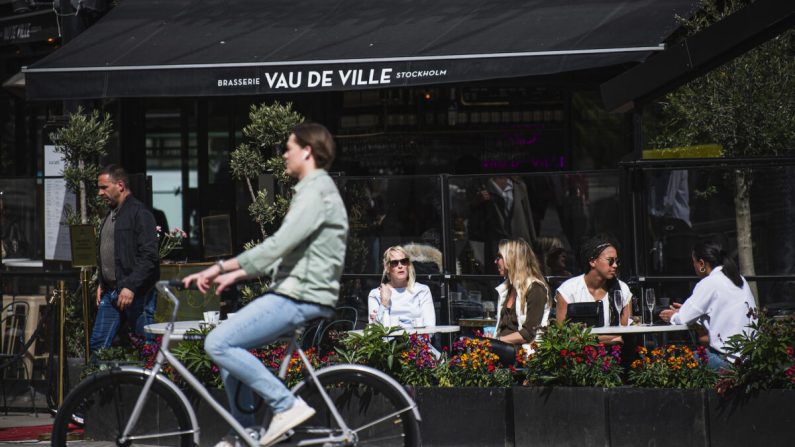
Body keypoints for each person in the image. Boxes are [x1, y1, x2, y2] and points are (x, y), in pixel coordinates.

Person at [183, 123, 348, 447]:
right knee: (232, 346)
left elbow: (277, 245)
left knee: (217, 343)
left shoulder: (316, 192)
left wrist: (219, 267)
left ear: (307, 151)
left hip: (299, 295)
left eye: (288, 147)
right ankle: (247, 431)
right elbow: (286, 251)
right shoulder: (313, 190)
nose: (284, 154)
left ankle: (285, 405)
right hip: (296, 290)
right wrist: (236, 274)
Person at [91, 165, 160, 353]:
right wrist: (102, 282)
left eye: (104, 187)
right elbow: (112, 252)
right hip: (111, 292)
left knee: (148, 348)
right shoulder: (112, 214)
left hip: (136, 293)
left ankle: (154, 383)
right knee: (99, 347)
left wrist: (131, 286)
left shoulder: (139, 213)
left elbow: (149, 256)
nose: (100, 192)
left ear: (120, 185)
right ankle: (100, 383)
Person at [660, 240, 757, 370]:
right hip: (750, 358)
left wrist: (673, 315)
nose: (693, 266)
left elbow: (683, 319)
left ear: (701, 264)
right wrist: (686, 310)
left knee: (675, 363)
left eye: (693, 262)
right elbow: (723, 310)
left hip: (727, 359)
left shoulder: (710, 282)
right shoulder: (739, 279)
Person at [555, 236, 632, 344]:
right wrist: (605, 340)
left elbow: (625, 332)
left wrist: (584, 338)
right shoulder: (568, 290)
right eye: (610, 261)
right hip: (578, 356)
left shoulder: (622, 290)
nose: (615, 265)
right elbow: (562, 335)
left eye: (617, 261)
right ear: (592, 262)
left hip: (615, 354)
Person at [490, 239, 550, 353]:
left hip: (523, 356)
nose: (496, 261)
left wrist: (495, 341)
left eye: (499, 257)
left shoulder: (535, 289)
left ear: (512, 259)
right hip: (503, 352)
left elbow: (528, 333)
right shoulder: (508, 288)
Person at [368, 246, 435, 329]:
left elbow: (430, 327)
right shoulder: (376, 294)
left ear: (408, 265)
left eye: (404, 261)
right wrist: (384, 303)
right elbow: (373, 331)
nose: (400, 266)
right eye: (394, 263)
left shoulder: (422, 290)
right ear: (387, 268)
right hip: (387, 342)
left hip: (417, 340)